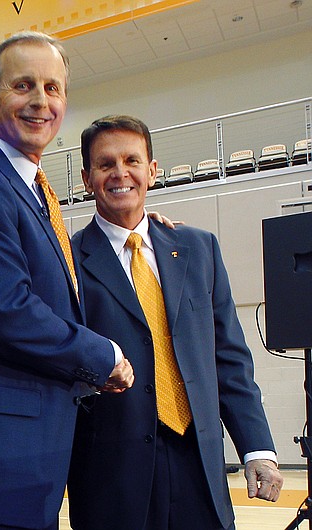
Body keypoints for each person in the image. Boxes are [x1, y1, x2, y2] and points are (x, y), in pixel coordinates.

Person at [0, 32, 134, 530]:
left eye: (53, 88)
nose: (42, 101)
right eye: (24, 86)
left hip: (32, 460)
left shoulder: (35, 192)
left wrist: (139, 225)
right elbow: (8, 312)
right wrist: (104, 355)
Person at [67, 115, 283, 530]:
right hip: (112, 476)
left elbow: (229, 358)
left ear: (152, 169)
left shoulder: (198, 248)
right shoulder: (67, 262)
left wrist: (257, 448)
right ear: (87, 177)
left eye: (132, 160)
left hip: (199, 465)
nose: (120, 172)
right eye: (105, 163)